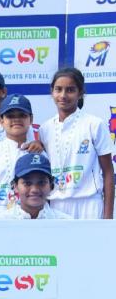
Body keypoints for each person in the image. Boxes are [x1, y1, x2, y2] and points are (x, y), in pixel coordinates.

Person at [39, 67, 114, 219]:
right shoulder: (45, 129)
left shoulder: (94, 124)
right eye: (58, 89)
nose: (63, 95)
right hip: (57, 204)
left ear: (80, 93)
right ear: (52, 92)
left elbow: (108, 172)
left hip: (89, 203)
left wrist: (108, 218)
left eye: (70, 90)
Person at [0, 154, 72, 220]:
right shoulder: (0, 223)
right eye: (27, 183)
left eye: (41, 183)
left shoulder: (65, 223)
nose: (34, 190)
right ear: (15, 186)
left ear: (51, 186)